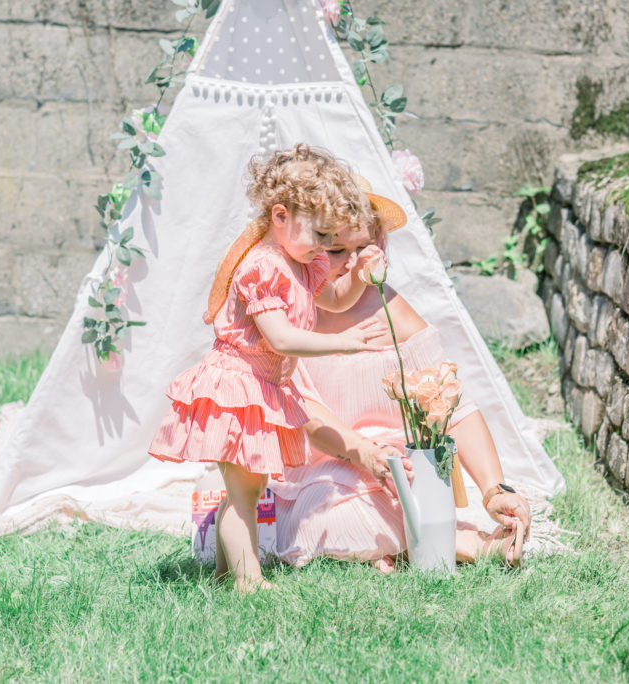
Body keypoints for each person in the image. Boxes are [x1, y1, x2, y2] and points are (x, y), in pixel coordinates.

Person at [147, 144, 387, 592]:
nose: (324, 247)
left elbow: (334, 299)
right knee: (242, 492)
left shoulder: (300, 262)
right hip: (236, 388)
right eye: (319, 234)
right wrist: (340, 343)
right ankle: (247, 581)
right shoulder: (262, 267)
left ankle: (225, 574)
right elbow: (279, 337)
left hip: (260, 386)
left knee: (249, 490)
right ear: (280, 216)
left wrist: (356, 276)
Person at [273, 194, 532, 571]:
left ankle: (392, 544)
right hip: (330, 465)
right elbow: (300, 408)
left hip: (404, 468)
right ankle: (463, 542)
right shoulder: (290, 314)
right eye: (334, 250)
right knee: (313, 519)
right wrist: (364, 453)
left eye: (363, 247)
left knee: (404, 488)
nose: (352, 263)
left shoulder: (390, 309)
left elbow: (449, 405)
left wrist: (494, 489)